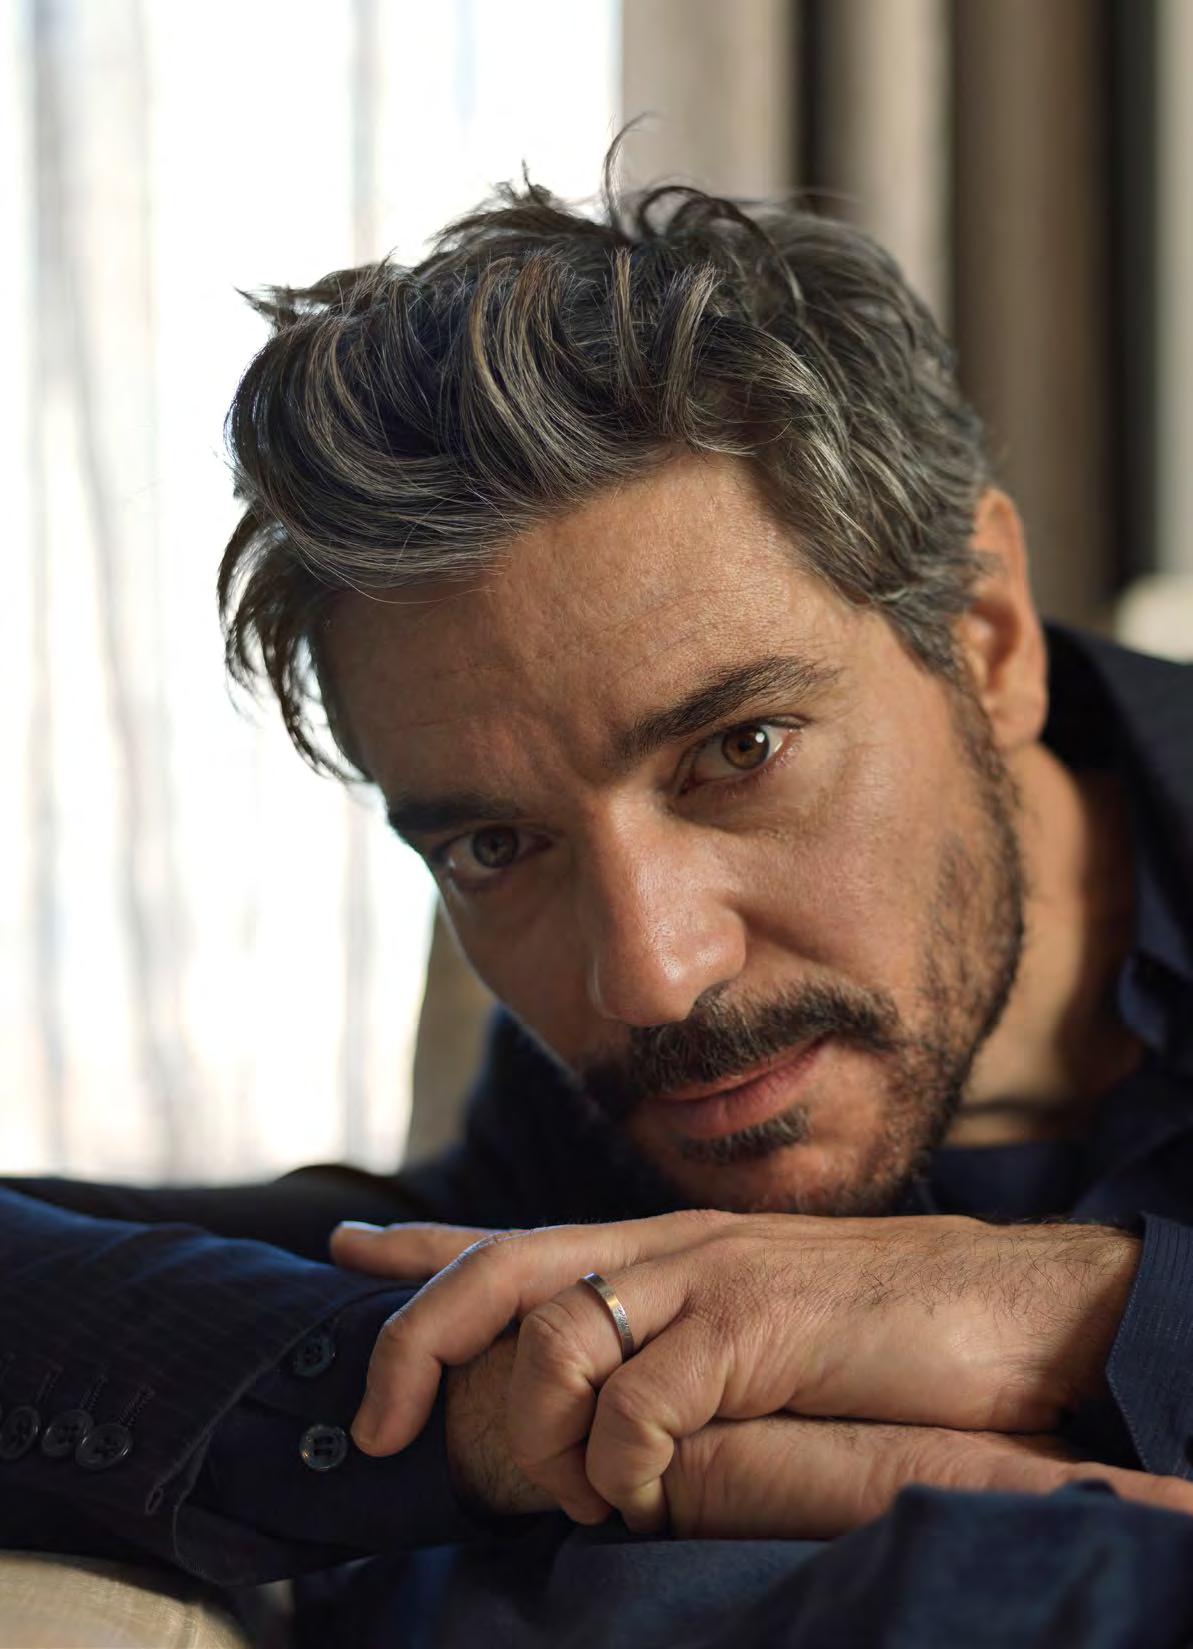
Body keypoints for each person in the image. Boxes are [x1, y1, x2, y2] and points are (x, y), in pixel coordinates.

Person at [4, 154, 1193, 1647]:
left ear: (988, 635)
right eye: (497, 845)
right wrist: (497, 1415)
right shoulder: (589, 1146)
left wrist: (1079, 1311)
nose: (649, 975)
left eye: (738, 751)